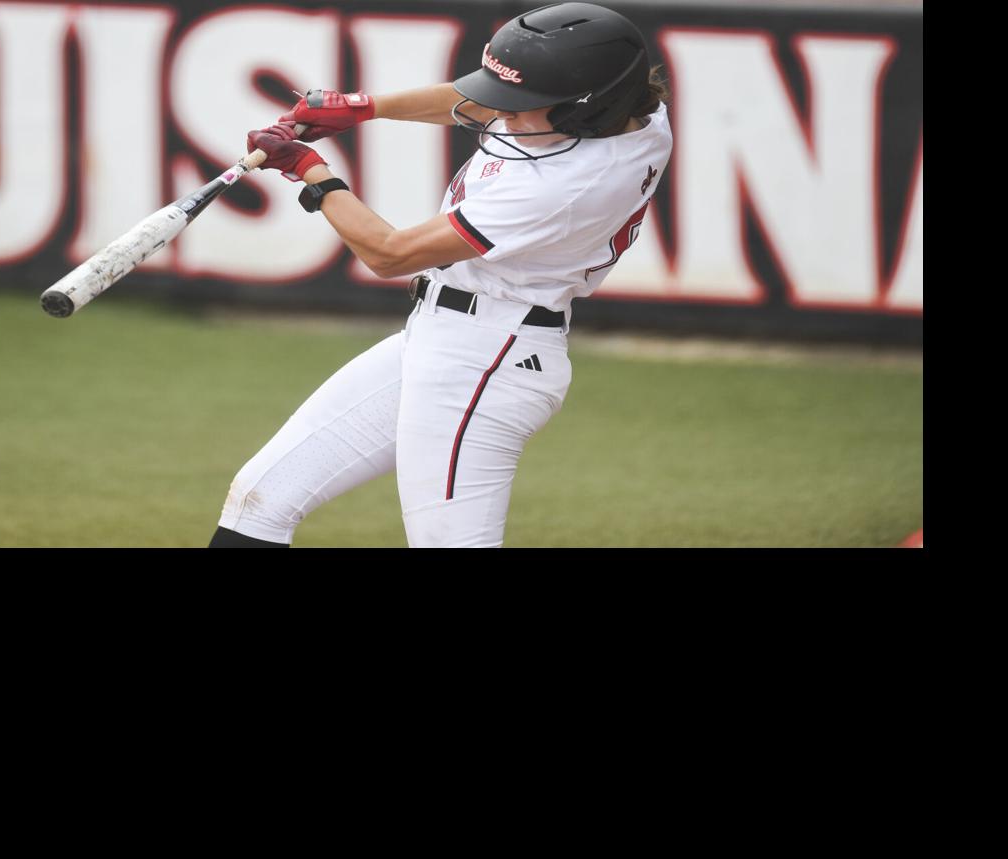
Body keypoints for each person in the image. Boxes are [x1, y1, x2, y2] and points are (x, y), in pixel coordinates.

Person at [208, 2, 672, 548]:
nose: (505, 116)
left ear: (586, 110)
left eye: (524, 107)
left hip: (486, 361)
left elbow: (389, 253)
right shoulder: (631, 114)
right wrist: (363, 107)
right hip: (445, 335)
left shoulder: (564, 185)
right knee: (263, 495)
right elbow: (475, 101)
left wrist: (310, 170)